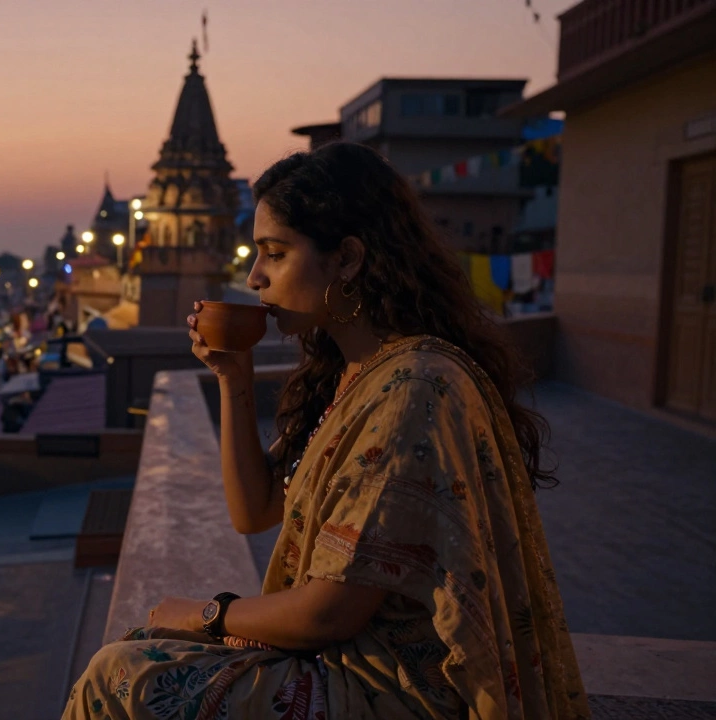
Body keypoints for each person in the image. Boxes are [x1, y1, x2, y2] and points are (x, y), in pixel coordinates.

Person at [65, 143, 589, 720]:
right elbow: (255, 510)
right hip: (347, 659)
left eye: (275, 253)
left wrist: (207, 613)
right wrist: (232, 378)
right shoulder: (358, 375)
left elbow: (328, 614)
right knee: (139, 646)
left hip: (394, 688)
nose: (254, 277)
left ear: (346, 260)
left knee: (118, 677)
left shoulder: (413, 387)